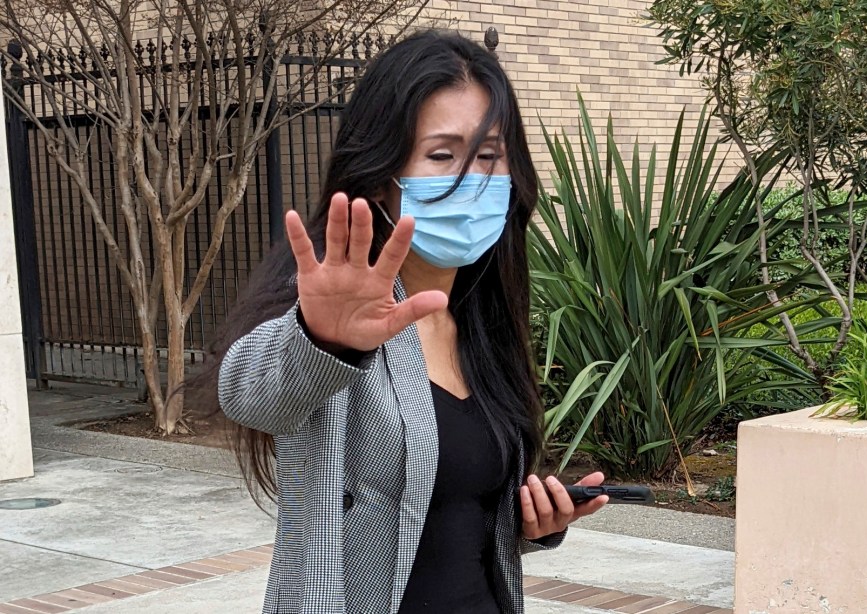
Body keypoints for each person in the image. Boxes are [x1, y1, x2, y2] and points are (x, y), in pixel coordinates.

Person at [211, 29, 608, 614]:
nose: (469, 181)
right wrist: (325, 341)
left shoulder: (481, 323)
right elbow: (249, 394)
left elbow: (447, 516)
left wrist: (535, 521)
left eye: (489, 157)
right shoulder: (336, 320)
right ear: (379, 175)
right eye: (443, 155)